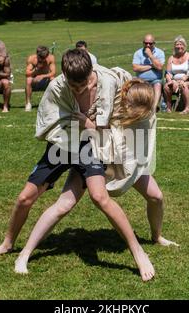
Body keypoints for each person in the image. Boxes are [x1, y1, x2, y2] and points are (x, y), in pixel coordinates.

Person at [0, 49, 156, 281]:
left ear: (91, 73)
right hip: (62, 141)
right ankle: (8, 244)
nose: (78, 90)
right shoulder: (57, 87)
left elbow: (110, 126)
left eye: (82, 84)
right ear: (64, 76)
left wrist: (87, 123)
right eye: (73, 86)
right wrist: (83, 125)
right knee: (25, 198)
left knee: (99, 197)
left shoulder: (108, 81)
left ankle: (138, 252)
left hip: (91, 146)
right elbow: (50, 121)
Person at [11, 78, 178, 276]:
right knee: (64, 204)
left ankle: (157, 236)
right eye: (131, 109)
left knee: (156, 196)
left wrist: (90, 125)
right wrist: (90, 125)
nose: (133, 115)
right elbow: (98, 138)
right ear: (125, 100)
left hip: (125, 162)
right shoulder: (111, 100)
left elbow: (134, 148)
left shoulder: (146, 114)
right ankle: (25, 253)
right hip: (95, 158)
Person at [163, 36, 189, 114]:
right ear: (174, 46)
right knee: (166, 86)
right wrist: (171, 81)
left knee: (184, 85)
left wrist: (181, 80)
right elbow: (168, 73)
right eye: (177, 44)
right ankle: (168, 108)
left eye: (181, 44)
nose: (179, 46)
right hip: (175, 81)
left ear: (184, 46)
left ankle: (188, 108)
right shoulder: (171, 58)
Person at [132, 34, 165, 111]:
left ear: (154, 43)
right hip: (141, 79)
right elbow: (135, 68)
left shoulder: (160, 52)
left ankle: (154, 107)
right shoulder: (138, 53)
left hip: (155, 80)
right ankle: (137, 106)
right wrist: (151, 66)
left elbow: (160, 67)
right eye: (145, 43)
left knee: (158, 84)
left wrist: (150, 55)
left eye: (150, 43)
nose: (148, 45)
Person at [25, 46, 56, 112]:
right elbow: (27, 73)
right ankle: (28, 103)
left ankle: (52, 103)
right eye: (40, 58)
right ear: (37, 54)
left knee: (53, 79)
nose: (42, 59)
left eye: (44, 58)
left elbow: (53, 73)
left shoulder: (51, 58)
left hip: (45, 80)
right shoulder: (31, 59)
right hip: (34, 80)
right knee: (28, 80)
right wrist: (36, 70)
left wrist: (42, 76)